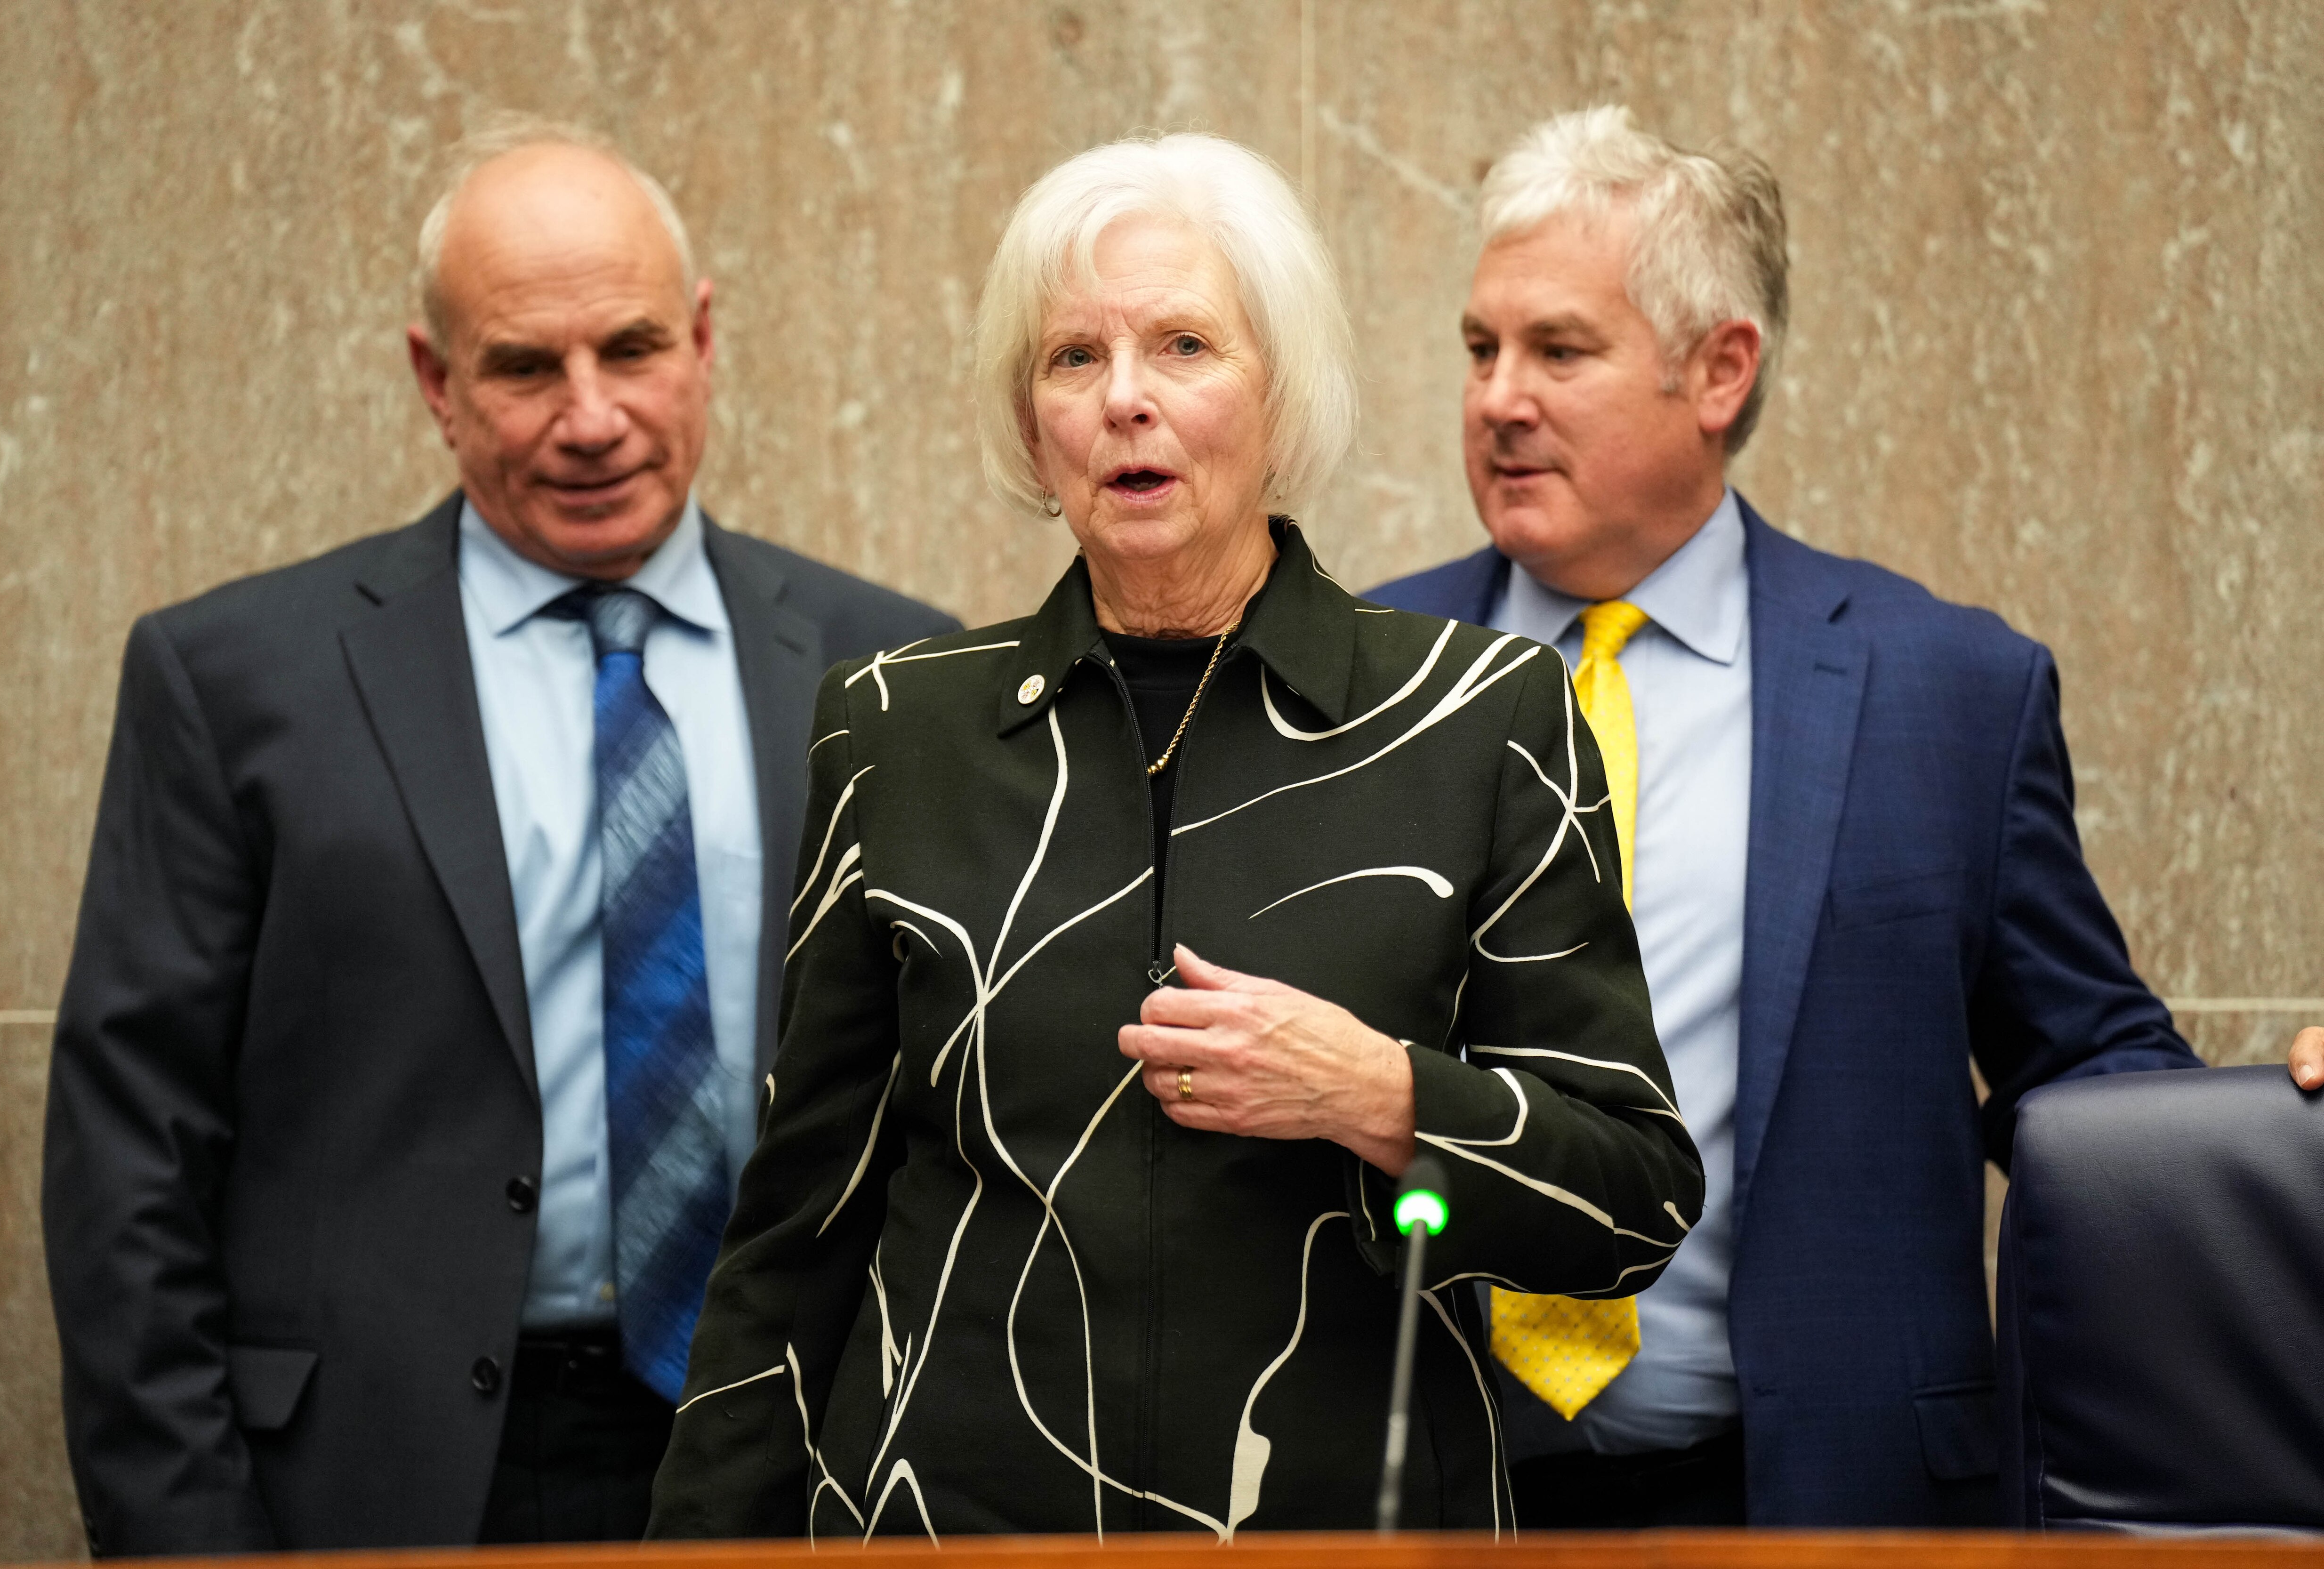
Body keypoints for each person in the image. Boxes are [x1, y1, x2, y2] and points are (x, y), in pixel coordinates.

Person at [644, 132, 1703, 1542]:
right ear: (1032, 422)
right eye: (1072, 359)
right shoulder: (895, 730)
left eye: (1185, 346)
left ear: (1284, 390)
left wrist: (1382, 1096)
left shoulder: (1480, 719)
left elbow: (1631, 1203)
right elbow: (797, 1237)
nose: (1125, 400)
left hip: (1345, 1526)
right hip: (941, 1523)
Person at [41, 117, 956, 1555]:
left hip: (796, 1456)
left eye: (633, 350)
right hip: (377, 1481)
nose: (589, 418)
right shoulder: (236, 683)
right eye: (526, 367)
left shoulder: (894, 672)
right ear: (435, 380)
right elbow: (130, 1162)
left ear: (704, 341)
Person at [1366, 107, 2203, 1528]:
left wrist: (2282, 1122)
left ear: (1719, 370)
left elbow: (2091, 1066)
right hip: (1428, 1489)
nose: (1499, 398)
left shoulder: (1945, 691)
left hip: (1818, 1498)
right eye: (1479, 348)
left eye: (1559, 351)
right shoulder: (1356, 677)